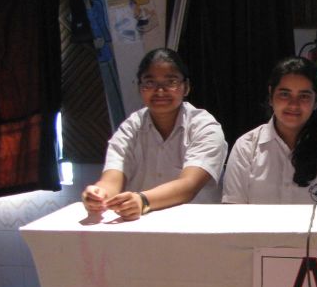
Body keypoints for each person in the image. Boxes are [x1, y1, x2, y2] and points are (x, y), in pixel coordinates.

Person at [82, 48, 228, 220]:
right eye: (150, 83)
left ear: (186, 87)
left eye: (171, 82)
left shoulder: (205, 127)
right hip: (139, 224)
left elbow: (189, 185)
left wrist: (143, 201)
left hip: (195, 223)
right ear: (140, 88)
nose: (160, 91)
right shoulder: (131, 127)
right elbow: (112, 178)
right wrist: (99, 195)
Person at [222, 56, 317, 204]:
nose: (293, 105)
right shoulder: (246, 147)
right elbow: (234, 210)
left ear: (316, 100)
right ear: (271, 96)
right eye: (285, 94)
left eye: (304, 96)